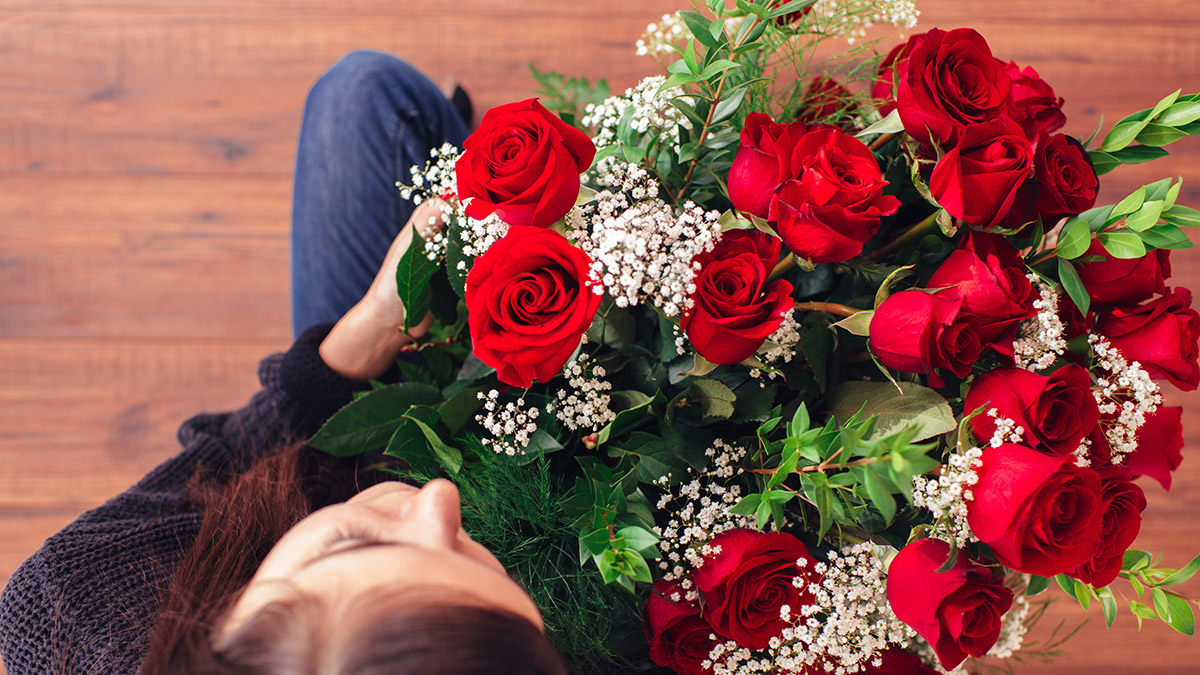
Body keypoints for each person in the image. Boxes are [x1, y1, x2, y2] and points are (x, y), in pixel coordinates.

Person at [0, 50, 569, 674]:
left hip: (339, 431)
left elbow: (228, 458)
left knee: (365, 96)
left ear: (228, 621)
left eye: (349, 542)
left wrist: (359, 340)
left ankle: (453, 155)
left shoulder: (72, 613)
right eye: (471, 571)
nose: (438, 500)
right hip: (548, 486)